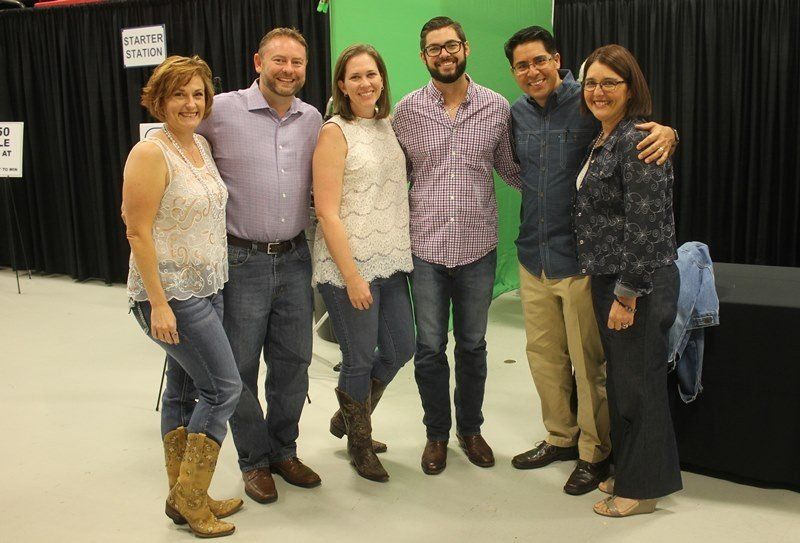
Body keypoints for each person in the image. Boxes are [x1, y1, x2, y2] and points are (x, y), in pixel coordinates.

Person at [504, 26, 677, 495]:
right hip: (533, 255)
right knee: (544, 358)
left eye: (540, 60)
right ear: (514, 72)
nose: (532, 71)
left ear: (557, 60)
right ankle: (560, 438)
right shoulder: (516, 113)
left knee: (589, 365)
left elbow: (637, 133)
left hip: (581, 260)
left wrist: (669, 132)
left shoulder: (586, 102)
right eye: (522, 65)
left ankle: (594, 452)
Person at [196, 28, 323, 504]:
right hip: (241, 259)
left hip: (295, 258)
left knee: (294, 363)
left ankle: (283, 450)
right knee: (240, 367)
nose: (288, 70)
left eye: (297, 62)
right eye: (279, 60)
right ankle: (253, 460)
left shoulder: (313, 118)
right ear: (258, 62)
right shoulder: (219, 111)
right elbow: (179, 153)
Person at [392, 16, 521, 475]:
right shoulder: (406, 112)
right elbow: (395, 178)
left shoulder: (496, 107)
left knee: (472, 345)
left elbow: (511, 169)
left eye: (451, 45)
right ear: (423, 56)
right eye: (434, 48)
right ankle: (436, 435)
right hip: (425, 249)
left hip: (477, 248)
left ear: (466, 48)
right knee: (429, 348)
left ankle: (470, 429)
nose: (444, 54)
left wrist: (567, 179)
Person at [124, 55, 242, 538]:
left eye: (198, 94)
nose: (190, 103)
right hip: (172, 293)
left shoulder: (199, 146)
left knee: (183, 390)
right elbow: (136, 230)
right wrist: (158, 303)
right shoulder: (150, 152)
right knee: (224, 388)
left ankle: (182, 494)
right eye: (179, 94)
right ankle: (193, 501)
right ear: (159, 99)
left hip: (208, 285)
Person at [576, 44, 681, 517]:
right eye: (591, 83)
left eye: (609, 83)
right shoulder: (606, 137)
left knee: (639, 386)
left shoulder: (640, 140)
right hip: (611, 278)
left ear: (630, 87)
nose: (598, 92)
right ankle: (631, 470)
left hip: (638, 283)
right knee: (623, 383)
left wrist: (627, 295)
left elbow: (646, 225)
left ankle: (643, 489)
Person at [312, 44, 415, 482]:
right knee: (357, 359)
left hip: (390, 259)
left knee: (402, 347)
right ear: (342, 85)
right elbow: (326, 211)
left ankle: (350, 415)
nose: (365, 83)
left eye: (371, 74)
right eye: (355, 76)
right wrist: (352, 276)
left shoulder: (387, 125)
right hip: (348, 266)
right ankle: (359, 442)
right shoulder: (334, 132)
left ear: (382, 78)